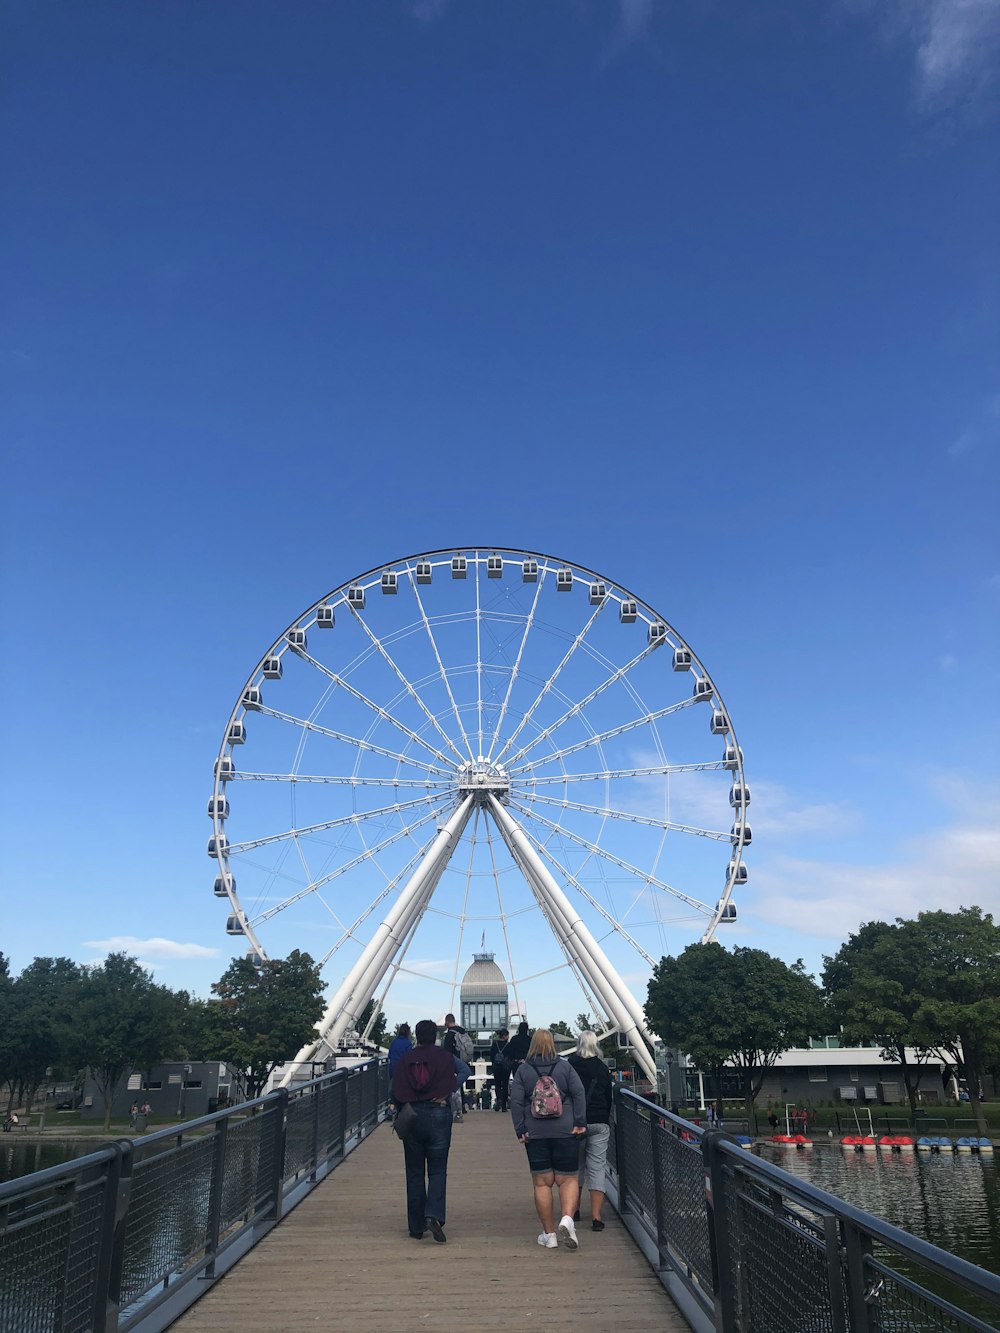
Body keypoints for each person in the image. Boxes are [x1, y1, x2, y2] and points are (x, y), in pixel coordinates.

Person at [510, 1027, 586, 1251]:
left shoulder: (524, 1070)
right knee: (568, 1179)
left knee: (542, 1183)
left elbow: (515, 1102)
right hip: (565, 1130)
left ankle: (549, 1234)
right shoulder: (565, 1067)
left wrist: (520, 1128)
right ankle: (567, 1219)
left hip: (536, 1132)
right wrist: (579, 1122)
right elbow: (579, 1093)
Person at [390, 1018, 460, 1242]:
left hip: (413, 1117)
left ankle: (416, 1226)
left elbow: (396, 1089)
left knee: (414, 1172)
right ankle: (435, 1215)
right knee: (438, 1170)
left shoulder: (406, 1059)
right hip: (438, 1114)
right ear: (435, 1035)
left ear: (416, 1036)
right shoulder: (445, 1057)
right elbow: (458, 1075)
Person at [567, 1030, 614, 1232]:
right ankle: (596, 1217)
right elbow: (609, 1097)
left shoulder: (569, 1065)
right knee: (597, 1168)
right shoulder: (602, 1068)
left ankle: (574, 1210)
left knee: (576, 1168)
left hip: (575, 1122)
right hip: (599, 1122)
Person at [441, 1013, 473, 1121]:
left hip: (453, 1060)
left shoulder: (450, 1034)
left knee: (452, 1083)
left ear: (447, 1022)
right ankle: (462, 1106)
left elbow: (446, 1052)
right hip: (463, 1060)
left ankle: (453, 1106)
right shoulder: (462, 1031)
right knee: (459, 1083)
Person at [491, 1028, 512, 1112]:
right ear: (504, 1036)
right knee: (505, 1084)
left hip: (497, 1067)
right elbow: (511, 1055)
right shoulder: (508, 1045)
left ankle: (498, 1098)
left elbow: (491, 1055)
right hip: (505, 1068)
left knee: (497, 1084)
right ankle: (504, 1106)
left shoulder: (494, 1044)